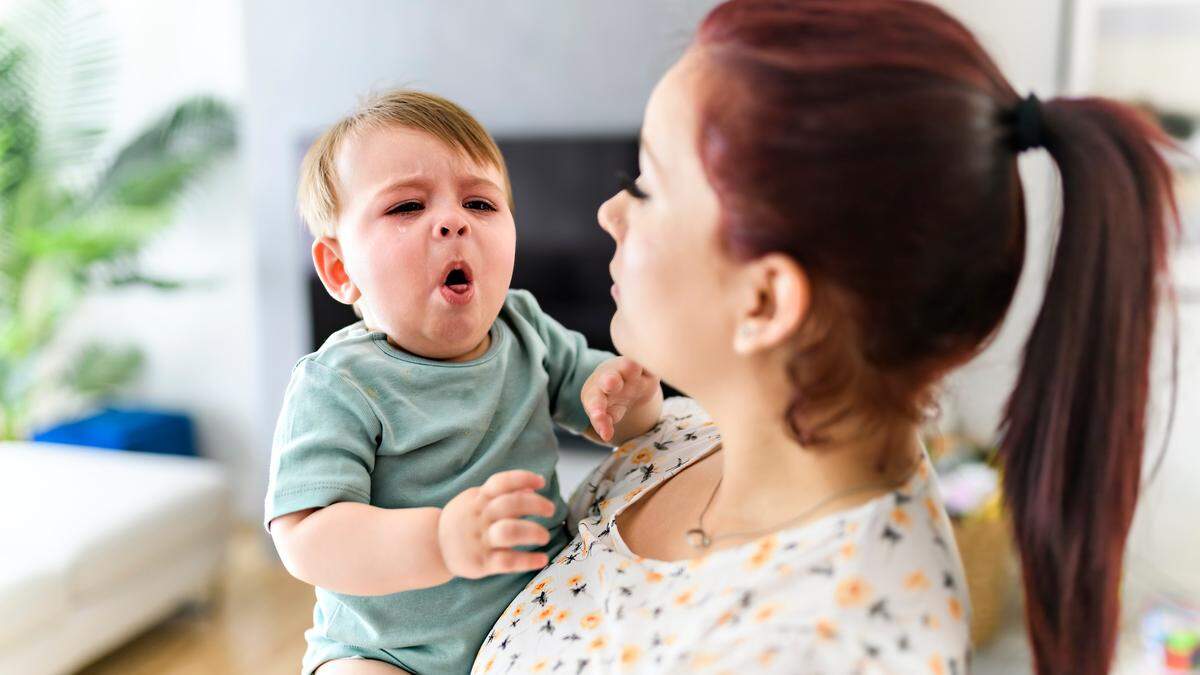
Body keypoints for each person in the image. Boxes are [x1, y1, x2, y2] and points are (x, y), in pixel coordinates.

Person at [474, 1, 1181, 673]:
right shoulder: (683, 437)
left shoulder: (827, 645)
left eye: (647, 184)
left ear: (767, 299)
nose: (608, 211)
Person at [263, 90, 664, 675]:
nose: (452, 221)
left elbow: (612, 420)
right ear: (340, 269)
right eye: (406, 208)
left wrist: (634, 396)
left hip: (536, 614)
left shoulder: (525, 327)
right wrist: (440, 541)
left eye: (479, 203)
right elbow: (306, 537)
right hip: (385, 652)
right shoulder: (338, 382)